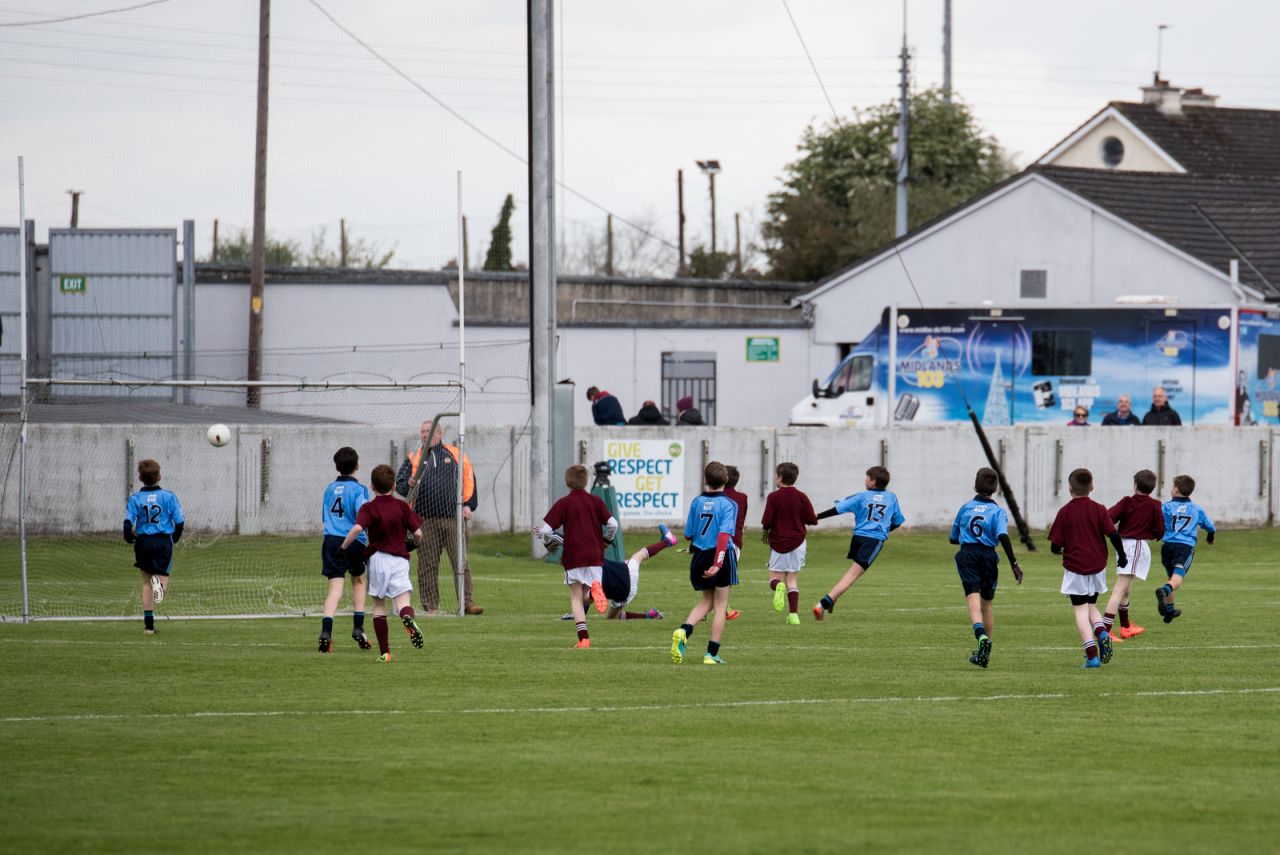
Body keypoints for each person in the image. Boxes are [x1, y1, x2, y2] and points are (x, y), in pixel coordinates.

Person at [396, 420, 483, 616]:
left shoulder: (456, 454)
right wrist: (408, 483)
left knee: (461, 563)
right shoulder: (413, 457)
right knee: (427, 565)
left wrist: (469, 505)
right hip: (424, 520)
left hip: (453, 519)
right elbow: (400, 484)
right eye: (423, 432)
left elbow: (470, 479)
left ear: (439, 434)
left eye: (429, 431)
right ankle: (430, 606)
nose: (425, 435)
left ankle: (467, 603)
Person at [339, 464, 425, 663]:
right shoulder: (402, 507)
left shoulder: (369, 508)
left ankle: (385, 653)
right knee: (403, 602)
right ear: (394, 485)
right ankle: (407, 617)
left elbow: (356, 529)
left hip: (377, 559)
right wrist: (414, 544)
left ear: (371, 486)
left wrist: (343, 548)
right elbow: (419, 533)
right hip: (400, 560)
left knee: (379, 606)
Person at [1047, 468, 1127, 669]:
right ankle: (1101, 632)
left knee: (1080, 610)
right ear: (1091, 486)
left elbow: (1055, 545)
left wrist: (1058, 549)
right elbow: (1113, 534)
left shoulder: (1065, 512)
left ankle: (1092, 655)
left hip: (1076, 567)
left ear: (1069, 488)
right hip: (1097, 566)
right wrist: (1122, 556)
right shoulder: (1099, 509)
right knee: (1091, 606)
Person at [537, 464, 619, 648]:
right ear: (586, 481)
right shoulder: (596, 501)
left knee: (575, 596)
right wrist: (606, 541)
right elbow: (613, 524)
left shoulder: (564, 503)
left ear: (567, 483)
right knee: (585, 595)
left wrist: (549, 545)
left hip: (573, 556)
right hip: (595, 555)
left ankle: (584, 639)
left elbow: (545, 530)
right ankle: (594, 591)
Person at [949, 468, 1024, 668]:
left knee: (973, 600)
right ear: (995, 489)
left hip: (968, 555)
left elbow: (953, 538)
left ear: (975, 486)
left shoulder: (966, 508)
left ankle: (980, 635)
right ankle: (986, 653)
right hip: (989, 557)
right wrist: (1014, 563)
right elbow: (1003, 536)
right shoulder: (998, 512)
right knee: (987, 605)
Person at [812, 465, 905, 621]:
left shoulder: (862, 496)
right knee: (852, 575)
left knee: (850, 572)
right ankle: (822, 604)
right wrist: (883, 531)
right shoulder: (891, 497)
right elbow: (897, 521)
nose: (865, 479)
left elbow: (838, 509)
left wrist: (817, 517)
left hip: (858, 538)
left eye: (867, 477)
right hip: (874, 540)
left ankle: (832, 602)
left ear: (873, 481)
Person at [670, 461, 738, 665]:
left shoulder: (697, 501)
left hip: (699, 556)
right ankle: (711, 653)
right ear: (726, 480)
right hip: (720, 556)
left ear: (706, 480)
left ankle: (684, 630)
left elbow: (688, 535)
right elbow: (724, 535)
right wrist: (718, 563)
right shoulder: (729, 504)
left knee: (707, 601)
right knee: (720, 605)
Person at [318, 447, 373, 653]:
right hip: (353, 541)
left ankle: (326, 632)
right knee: (358, 581)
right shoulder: (360, 490)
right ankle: (358, 628)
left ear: (337, 467)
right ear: (357, 466)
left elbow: (325, 517)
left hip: (331, 541)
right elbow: (362, 517)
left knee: (335, 589)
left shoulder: (330, 489)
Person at [563, 524, 678, 621]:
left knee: (601, 609)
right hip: (627, 573)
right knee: (639, 556)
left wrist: (578, 614)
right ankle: (667, 542)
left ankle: (647, 616)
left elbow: (584, 603)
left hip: (622, 593)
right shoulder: (593, 557)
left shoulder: (579, 571)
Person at [122, 458, 185, 635]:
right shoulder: (169, 496)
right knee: (161, 579)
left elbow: (128, 523)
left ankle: (148, 626)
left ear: (140, 477)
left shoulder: (135, 498)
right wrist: (175, 538)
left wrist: (129, 536)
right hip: (163, 541)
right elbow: (179, 522)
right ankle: (160, 588)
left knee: (145, 583)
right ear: (159, 476)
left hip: (143, 542)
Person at [1102, 469, 1164, 641]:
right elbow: (1160, 530)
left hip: (1123, 545)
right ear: (1152, 488)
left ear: (1135, 484)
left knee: (1126, 590)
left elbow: (1108, 517)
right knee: (1120, 588)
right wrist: (1151, 533)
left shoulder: (1126, 501)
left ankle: (1125, 626)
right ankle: (1105, 630)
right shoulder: (1155, 504)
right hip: (1136, 546)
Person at [761, 461, 818, 625]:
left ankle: (778, 586)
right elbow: (812, 519)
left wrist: (766, 530)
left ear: (779, 477)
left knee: (774, 577)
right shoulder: (801, 497)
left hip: (778, 543)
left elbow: (767, 520)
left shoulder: (773, 497)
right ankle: (793, 615)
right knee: (792, 579)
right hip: (798, 543)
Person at [1155, 475, 1216, 624]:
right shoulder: (1196, 509)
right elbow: (1210, 527)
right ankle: (1163, 591)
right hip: (1184, 548)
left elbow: (1156, 523)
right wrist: (1210, 537)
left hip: (1167, 547)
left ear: (1175, 490)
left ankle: (1170, 610)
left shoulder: (1165, 507)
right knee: (1176, 581)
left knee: (1172, 579)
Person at [721, 465, 748, 621]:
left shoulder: (712, 497)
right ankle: (724, 607)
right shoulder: (742, 497)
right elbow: (741, 520)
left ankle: (712, 606)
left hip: (711, 540)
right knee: (726, 575)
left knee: (713, 572)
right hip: (733, 541)